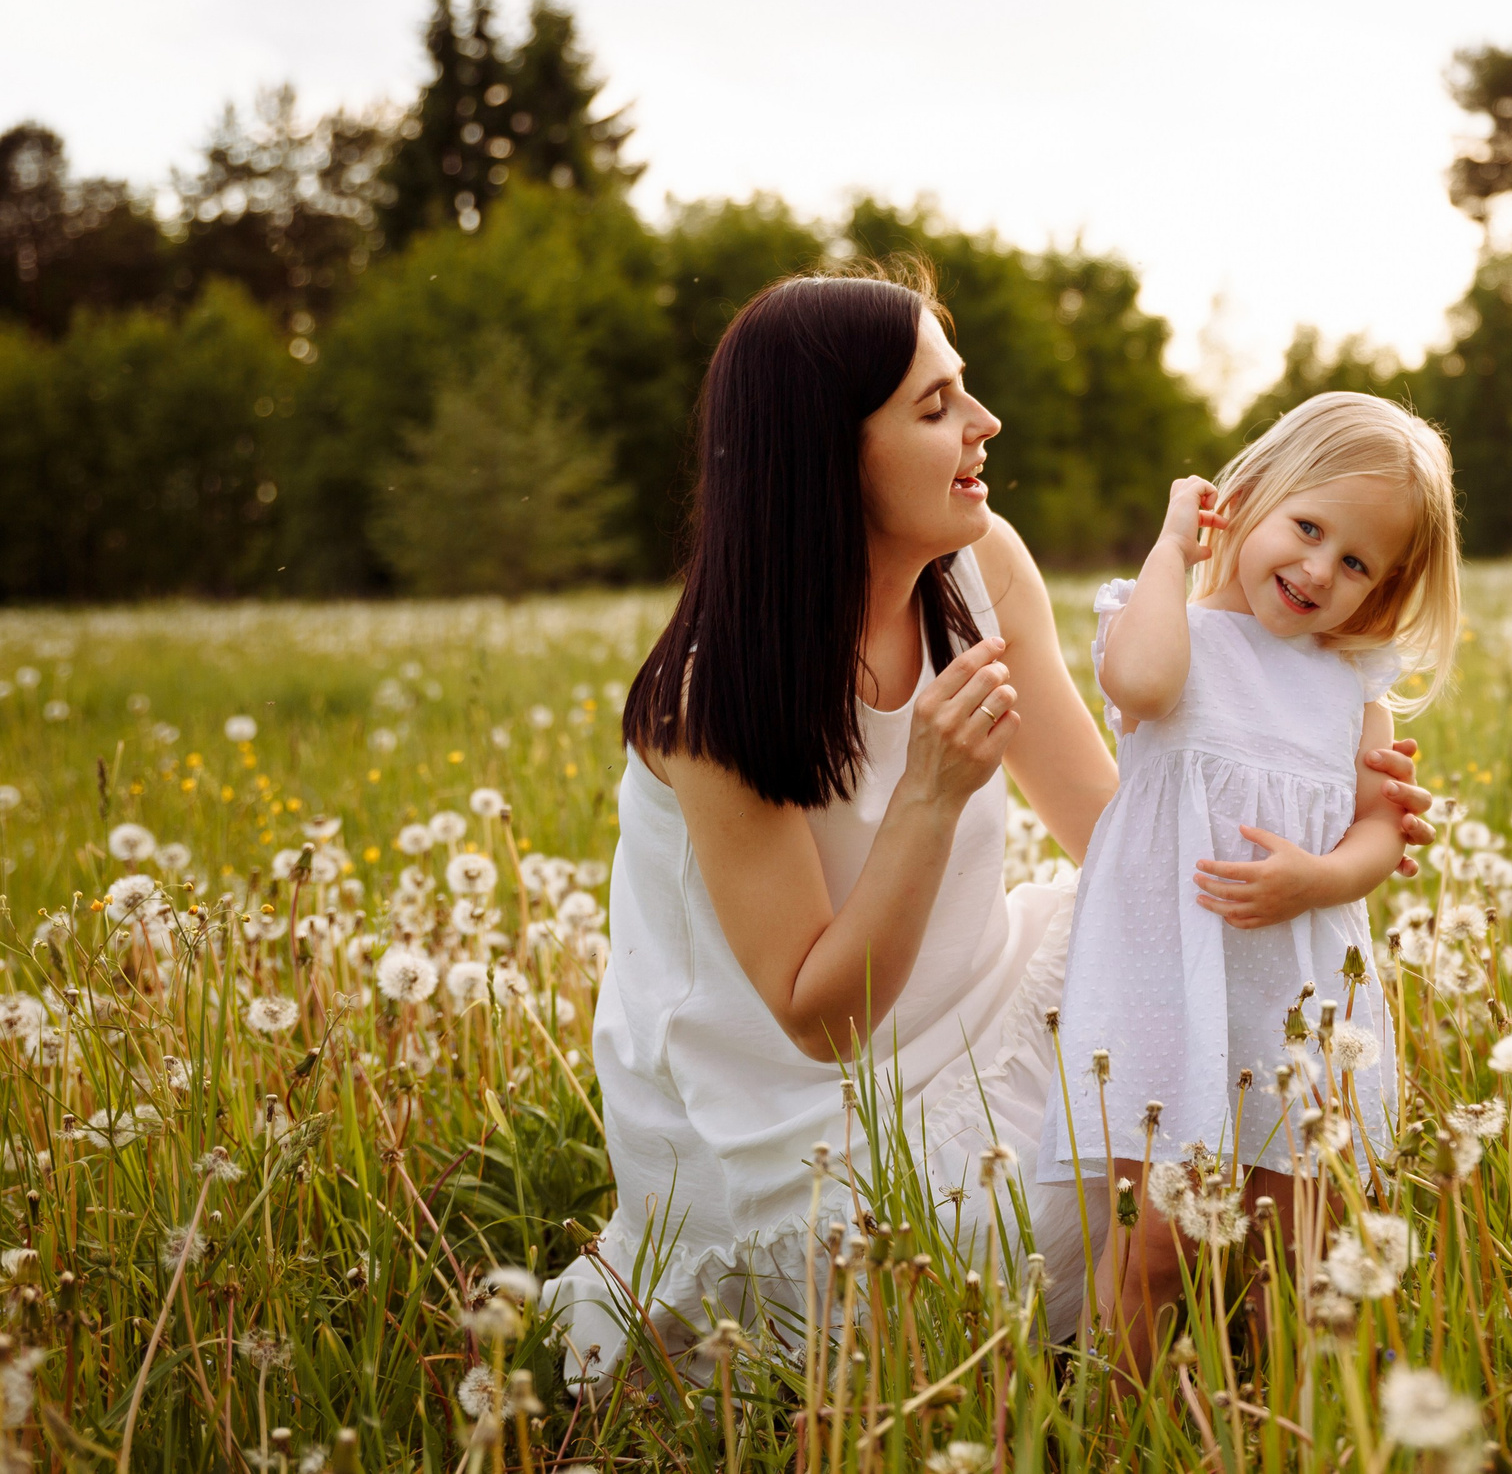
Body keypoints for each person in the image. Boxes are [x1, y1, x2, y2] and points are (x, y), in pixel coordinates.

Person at [541, 272, 1436, 1385]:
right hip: (803, 1123)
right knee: (1087, 1201)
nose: (985, 424)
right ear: (829, 450)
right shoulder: (710, 697)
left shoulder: (978, 564)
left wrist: (1307, 833)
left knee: (1240, 1060)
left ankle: (1256, 1325)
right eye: (934, 407)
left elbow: (1112, 832)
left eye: (963, 392)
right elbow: (824, 1026)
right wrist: (929, 791)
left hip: (990, 1002)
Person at [1039, 391, 1462, 1368]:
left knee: (1298, 1234)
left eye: (1356, 561)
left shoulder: (1352, 683)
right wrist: (1168, 554)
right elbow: (1138, 688)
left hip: (1295, 991)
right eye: (1306, 528)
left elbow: (1381, 834)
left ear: (1383, 586)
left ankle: (1284, 1415)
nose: (1318, 569)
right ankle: (1111, 1423)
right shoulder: (1165, 630)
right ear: (1247, 497)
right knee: (1161, 1240)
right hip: (1167, 980)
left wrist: (1319, 878)